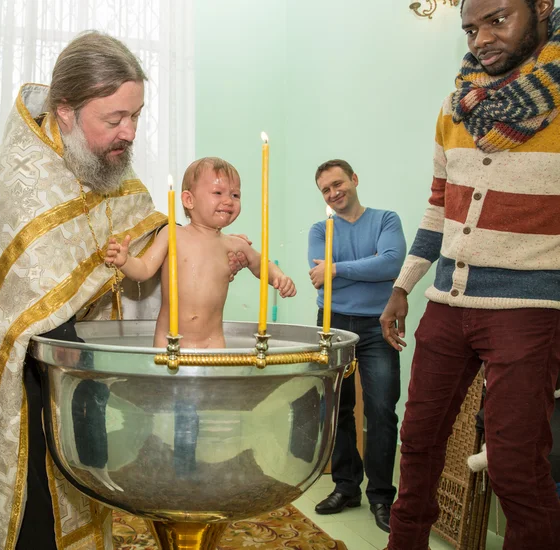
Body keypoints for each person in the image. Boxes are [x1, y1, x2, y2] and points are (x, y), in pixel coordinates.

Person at [0, 33, 244, 550]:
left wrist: (201, 261)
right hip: (23, 386)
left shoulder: (103, 164)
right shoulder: (19, 181)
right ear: (65, 112)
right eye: (114, 119)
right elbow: (29, 304)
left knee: (86, 490)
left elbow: (146, 239)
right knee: (37, 517)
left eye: (135, 116)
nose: (128, 133)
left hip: (77, 375)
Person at [380, 1, 560, 548]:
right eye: (471, 28)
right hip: (446, 305)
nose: (481, 38)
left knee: (515, 468)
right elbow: (440, 206)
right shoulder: (453, 108)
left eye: (498, 19)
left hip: (528, 311)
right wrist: (402, 285)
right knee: (417, 444)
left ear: (543, 8)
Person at [105, 157, 297, 348]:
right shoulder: (173, 234)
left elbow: (260, 264)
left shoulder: (234, 245)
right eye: (218, 192)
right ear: (189, 200)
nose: (228, 201)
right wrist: (125, 261)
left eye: (235, 195)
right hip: (170, 341)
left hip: (212, 343)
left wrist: (278, 277)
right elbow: (144, 269)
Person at [308, 159, 406, 533]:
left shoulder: (386, 220)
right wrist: (360, 270)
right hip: (332, 325)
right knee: (337, 407)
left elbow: (392, 264)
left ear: (354, 180)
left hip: (376, 325)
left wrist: (336, 269)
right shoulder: (321, 229)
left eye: (338, 184)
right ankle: (346, 487)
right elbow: (319, 278)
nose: (334, 193)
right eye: (326, 190)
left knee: (382, 410)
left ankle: (382, 496)